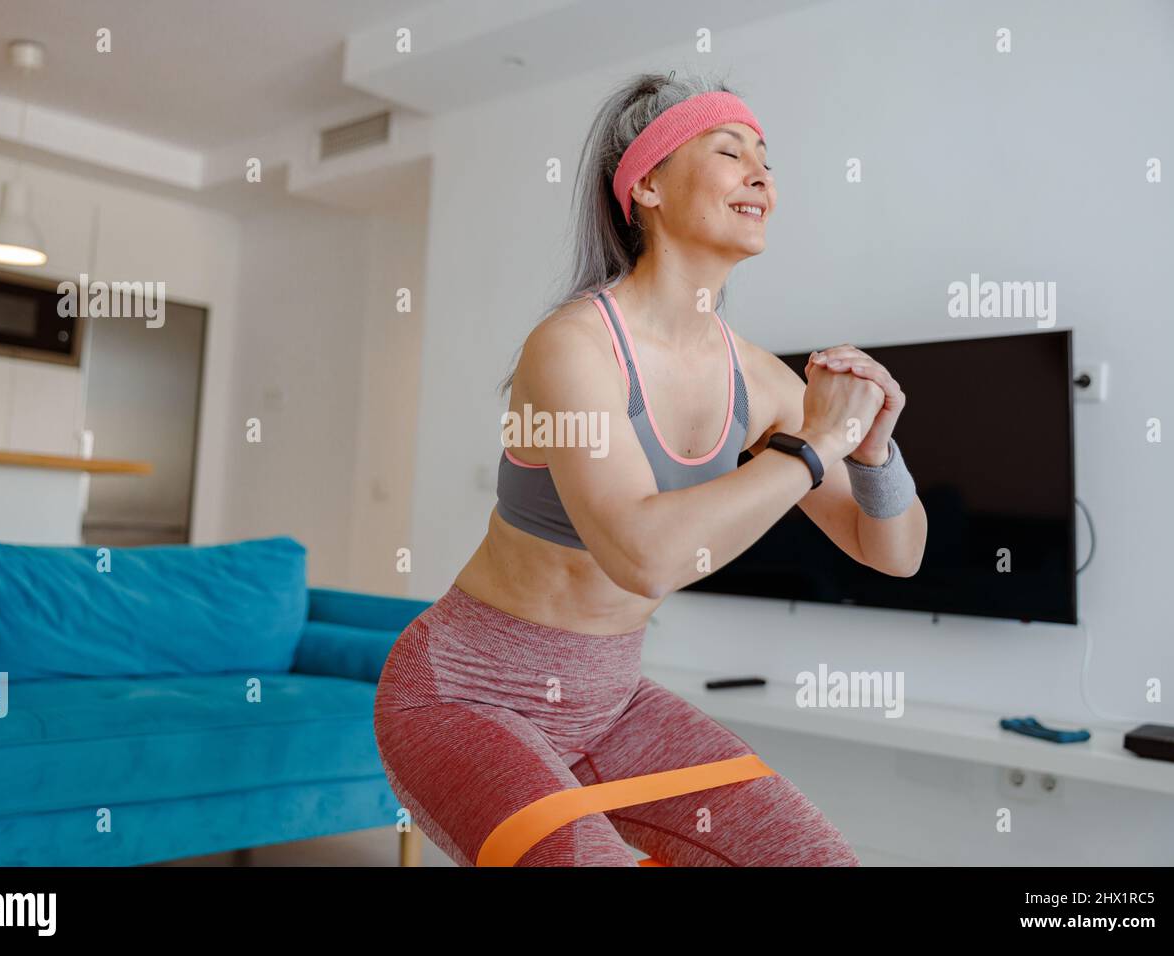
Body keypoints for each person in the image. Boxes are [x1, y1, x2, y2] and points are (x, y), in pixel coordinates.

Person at [374, 71, 927, 866]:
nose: (761, 175)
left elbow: (894, 553)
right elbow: (643, 555)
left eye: (766, 159)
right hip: (464, 696)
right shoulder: (573, 347)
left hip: (612, 703)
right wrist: (814, 446)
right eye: (730, 151)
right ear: (648, 187)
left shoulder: (759, 379)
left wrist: (870, 451)